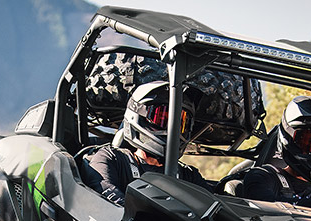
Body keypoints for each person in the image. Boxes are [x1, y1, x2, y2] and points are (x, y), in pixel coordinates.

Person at [80, 81, 212, 205]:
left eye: (181, 124)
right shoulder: (111, 158)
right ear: (138, 116)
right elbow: (105, 194)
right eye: (161, 119)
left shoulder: (188, 175)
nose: (170, 130)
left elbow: (214, 210)